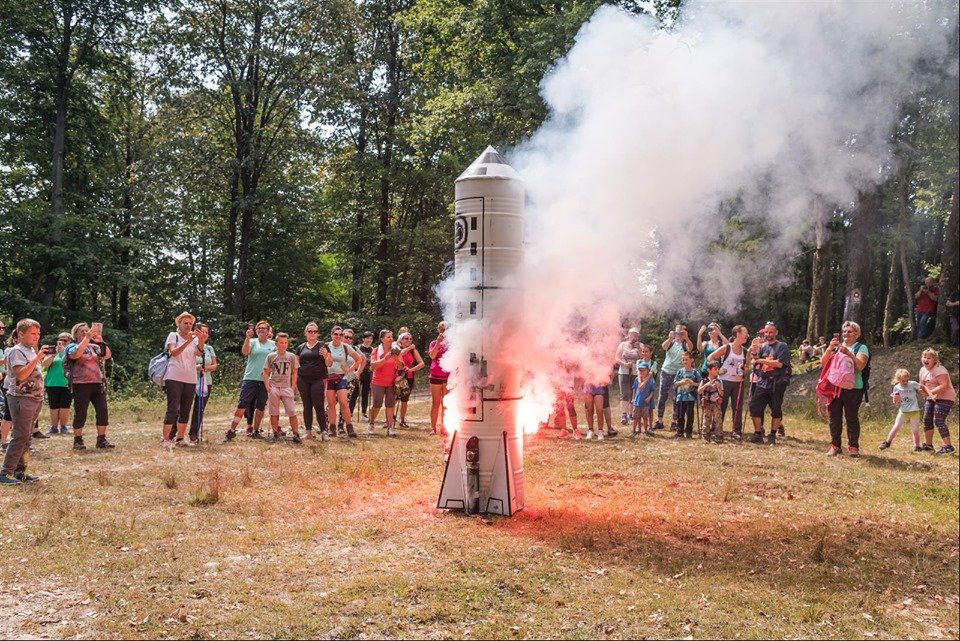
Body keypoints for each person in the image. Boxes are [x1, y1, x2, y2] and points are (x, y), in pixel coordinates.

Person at [0, 319, 49, 485]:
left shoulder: (30, 350)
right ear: (21, 334)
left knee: (27, 436)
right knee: (20, 435)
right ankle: (5, 472)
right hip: (21, 398)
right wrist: (37, 358)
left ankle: (20, 471)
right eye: (33, 333)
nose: (37, 336)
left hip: (34, 398)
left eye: (38, 333)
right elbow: (21, 375)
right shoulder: (16, 351)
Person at [819, 321, 869, 456]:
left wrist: (848, 353)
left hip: (854, 387)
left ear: (857, 334)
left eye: (850, 331)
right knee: (834, 417)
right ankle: (835, 446)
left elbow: (860, 366)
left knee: (851, 417)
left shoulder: (861, 348)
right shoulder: (836, 348)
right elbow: (824, 363)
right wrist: (830, 348)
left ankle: (853, 447)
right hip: (835, 387)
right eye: (844, 331)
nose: (846, 334)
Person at [65, 322, 115, 450]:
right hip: (80, 384)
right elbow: (76, 355)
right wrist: (87, 338)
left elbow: (107, 355)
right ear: (75, 334)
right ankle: (78, 440)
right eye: (81, 331)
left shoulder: (94, 347)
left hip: (97, 382)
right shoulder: (71, 346)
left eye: (86, 330)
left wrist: (100, 341)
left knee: (102, 411)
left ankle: (101, 439)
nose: (85, 332)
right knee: (81, 413)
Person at [225, 321, 276, 441]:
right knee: (243, 403)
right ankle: (231, 430)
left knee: (261, 406)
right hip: (250, 378)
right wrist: (247, 338)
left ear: (268, 331)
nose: (261, 330)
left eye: (263, 328)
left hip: (265, 380)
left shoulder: (273, 344)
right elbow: (245, 352)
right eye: (259, 328)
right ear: (256, 331)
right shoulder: (252, 341)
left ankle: (256, 431)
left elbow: (276, 361)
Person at [747, 321, 792, 446]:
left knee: (776, 409)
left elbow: (779, 364)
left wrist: (760, 360)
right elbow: (756, 360)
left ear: (776, 332)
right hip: (762, 382)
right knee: (754, 407)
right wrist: (754, 352)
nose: (768, 334)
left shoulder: (782, 346)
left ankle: (772, 435)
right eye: (766, 332)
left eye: (771, 332)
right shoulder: (763, 347)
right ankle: (758, 434)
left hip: (777, 383)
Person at [161, 312, 200, 447]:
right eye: (185, 323)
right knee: (173, 408)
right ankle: (166, 439)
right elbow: (174, 352)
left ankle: (180, 438)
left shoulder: (195, 339)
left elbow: (198, 353)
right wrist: (187, 341)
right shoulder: (173, 335)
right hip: (174, 377)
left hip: (190, 378)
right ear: (179, 324)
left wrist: (200, 340)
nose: (188, 326)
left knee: (185, 409)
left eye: (190, 323)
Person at [708, 324, 749, 440]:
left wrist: (745, 369)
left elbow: (747, 366)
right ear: (738, 334)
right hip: (724, 382)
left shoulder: (745, 351)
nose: (747, 335)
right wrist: (717, 370)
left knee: (737, 407)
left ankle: (736, 431)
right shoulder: (727, 348)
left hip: (738, 383)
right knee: (721, 406)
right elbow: (710, 357)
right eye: (745, 333)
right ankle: (716, 430)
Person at [325, 326, 365, 438]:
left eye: (340, 334)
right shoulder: (326, 346)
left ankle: (349, 427)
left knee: (343, 402)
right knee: (331, 404)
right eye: (336, 334)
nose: (338, 336)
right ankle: (332, 428)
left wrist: (350, 369)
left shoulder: (345, 347)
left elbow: (359, 359)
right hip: (329, 378)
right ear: (331, 335)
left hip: (342, 377)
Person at [294, 322, 332, 439]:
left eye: (315, 331)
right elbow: (296, 366)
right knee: (307, 406)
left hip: (318, 380)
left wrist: (326, 356)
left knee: (319, 405)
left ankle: (324, 432)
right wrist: (294, 382)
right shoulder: (301, 347)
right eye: (310, 331)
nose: (312, 333)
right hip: (303, 379)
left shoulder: (323, 346)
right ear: (306, 333)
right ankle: (308, 432)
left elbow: (329, 364)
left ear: (318, 333)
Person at [264, 333, 302, 444]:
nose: (284, 345)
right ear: (276, 344)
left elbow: (295, 372)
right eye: (281, 342)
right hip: (274, 386)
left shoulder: (291, 356)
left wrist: (293, 386)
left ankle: (296, 434)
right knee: (274, 412)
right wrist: (267, 386)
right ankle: (276, 433)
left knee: (291, 411)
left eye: (285, 343)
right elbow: (265, 372)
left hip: (286, 387)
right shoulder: (271, 356)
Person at [654, 324, 693, 431]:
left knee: (677, 398)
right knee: (662, 396)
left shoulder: (685, 344)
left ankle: (674, 422)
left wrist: (687, 338)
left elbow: (690, 349)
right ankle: (659, 420)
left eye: (681, 333)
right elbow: (663, 346)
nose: (678, 335)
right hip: (666, 372)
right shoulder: (671, 343)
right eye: (677, 332)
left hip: (678, 374)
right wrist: (670, 338)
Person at [918, 348, 955, 455]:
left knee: (939, 420)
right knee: (927, 419)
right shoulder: (922, 370)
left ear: (934, 360)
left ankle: (948, 446)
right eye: (924, 357)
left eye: (929, 358)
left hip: (945, 397)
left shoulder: (939, 369)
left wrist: (929, 393)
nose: (926, 359)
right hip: (931, 397)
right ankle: (928, 446)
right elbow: (922, 385)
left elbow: (944, 385)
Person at [880, 368, 924, 452]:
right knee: (896, 426)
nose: (905, 382)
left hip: (914, 411)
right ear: (898, 379)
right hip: (903, 411)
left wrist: (923, 392)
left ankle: (917, 446)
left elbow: (922, 389)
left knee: (915, 430)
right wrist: (895, 399)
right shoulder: (896, 388)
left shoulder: (913, 384)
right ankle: (887, 442)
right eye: (903, 381)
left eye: (907, 380)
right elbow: (896, 401)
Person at [188, 323, 217, 443]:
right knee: (184, 406)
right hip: (190, 380)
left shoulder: (209, 348)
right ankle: (176, 432)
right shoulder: (190, 345)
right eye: (202, 332)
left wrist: (205, 368)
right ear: (196, 332)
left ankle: (194, 433)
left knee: (199, 408)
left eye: (206, 332)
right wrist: (196, 367)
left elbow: (214, 365)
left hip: (206, 381)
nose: (204, 334)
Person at [369, 329, 401, 436]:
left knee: (390, 405)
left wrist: (396, 359)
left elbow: (401, 366)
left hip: (391, 382)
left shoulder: (396, 350)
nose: (391, 339)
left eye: (391, 337)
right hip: (378, 381)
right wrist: (385, 359)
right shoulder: (376, 350)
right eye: (388, 337)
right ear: (382, 339)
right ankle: (371, 423)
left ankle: (389, 428)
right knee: (377, 405)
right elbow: (373, 366)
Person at [42, 332, 73, 435]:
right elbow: (45, 364)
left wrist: (64, 351)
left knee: (65, 405)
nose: (62, 342)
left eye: (65, 340)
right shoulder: (51, 351)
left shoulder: (71, 352)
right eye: (60, 340)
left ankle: (63, 426)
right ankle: (54, 427)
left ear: (70, 341)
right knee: (54, 406)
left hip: (67, 382)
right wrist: (54, 354)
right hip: (52, 383)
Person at [394, 332, 425, 428]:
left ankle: (402, 420)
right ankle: (390, 418)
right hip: (397, 376)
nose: (409, 340)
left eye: (410, 339)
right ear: (401, 340)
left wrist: (411, 369)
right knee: (394, 398)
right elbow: (400, 354)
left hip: (409, 377)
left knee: (404, 400)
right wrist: (410, 347)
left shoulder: (413, 351)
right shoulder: (396, 347)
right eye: (406, 338)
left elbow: (422, 364)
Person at [614, 327, 642, 425]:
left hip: (636, 373)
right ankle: (624, 415)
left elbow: (643, 358)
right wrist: (625, 364)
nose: (633, 336)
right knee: (624, 394)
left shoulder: (641, 345)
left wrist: (639, 348)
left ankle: (631, 415)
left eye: (636, 334)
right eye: (632, 334)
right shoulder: (622, 345)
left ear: (638, 336)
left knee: (634, 394)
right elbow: (616, 358)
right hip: (624, 372)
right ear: (629, 335)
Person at [428, 322, 450, 436]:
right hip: (435, 376)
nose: (442, 330)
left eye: (445, 328)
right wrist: (438, 342)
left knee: (445, 403)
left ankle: (444, 427)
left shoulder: (451, 344)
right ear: (438, 329)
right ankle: (433, 428)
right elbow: (432, 355)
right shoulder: (433, 343)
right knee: (435, 403)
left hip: (447, 376)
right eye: (440, 328)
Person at [673, 352, 701, 438]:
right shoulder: (680, 371)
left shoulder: (695, 372)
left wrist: (693, 383)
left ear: (691, 360)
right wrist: (681, 382)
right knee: (680, 415)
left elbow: (700, 383)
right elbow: (675, 383)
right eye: (683, 360)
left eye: (686, 359)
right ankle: (680, 431)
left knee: (690, 415)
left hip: (690, 398)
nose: (685, 361)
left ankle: (689, 432)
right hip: (680, 397)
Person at [698, 361, 724, 442]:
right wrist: (707, 384)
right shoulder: (704, 381)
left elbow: (722, 394)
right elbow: (699, 391)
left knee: (718, 420)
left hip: (716, 403)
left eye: (718, 369)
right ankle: (705, 437)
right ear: (709, 370)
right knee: (706, 421)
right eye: (715, 369)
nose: (717, 371)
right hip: (707, 403)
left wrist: (718, 387)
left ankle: (719, 436)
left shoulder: (719, 381)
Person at [631, 361, 656, 436]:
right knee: (636, 417)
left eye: (644, 370)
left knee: (645, 417)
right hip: (637, 402)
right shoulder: (637, 379)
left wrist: (649, 398)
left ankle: (646, 430)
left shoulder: (651, 381)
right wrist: (633, 398)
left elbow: (652, 391)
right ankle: (634, 430)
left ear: (648, 370)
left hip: (645, 403)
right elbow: (634, 389)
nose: (641, 372)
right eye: (640, 370)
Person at [355, 331, 375, 419]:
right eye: (367, 338)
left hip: (368, 374)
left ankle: (364, 413)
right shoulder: (358, 348)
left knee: (365, 394)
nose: (369, 340)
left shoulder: (373, 350)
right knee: (355, 393)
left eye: (371, 338)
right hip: (358, 373)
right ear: (363, 339)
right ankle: (350, 413)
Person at [946, 283, 960, 347]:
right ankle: (953, 345)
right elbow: (947, 303)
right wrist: (955, 303)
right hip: (954, 315)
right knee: (955, 329)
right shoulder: (954, 293)